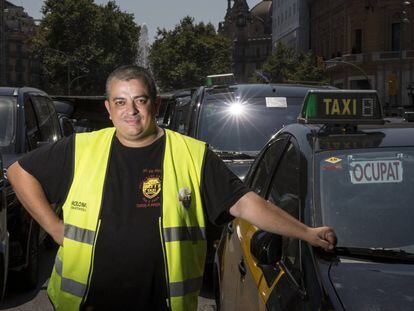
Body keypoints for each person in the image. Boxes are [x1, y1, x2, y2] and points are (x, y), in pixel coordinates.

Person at [7, 65, 336, 311]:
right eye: (120, 102)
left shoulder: (192, 154)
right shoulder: (79, 148)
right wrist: (52, 226)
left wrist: (305, 231)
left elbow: (245, 204)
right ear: (108, 109)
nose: (130, 111)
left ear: (156, 103)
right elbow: (19, 172)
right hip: (86, 304)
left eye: (139, 100)